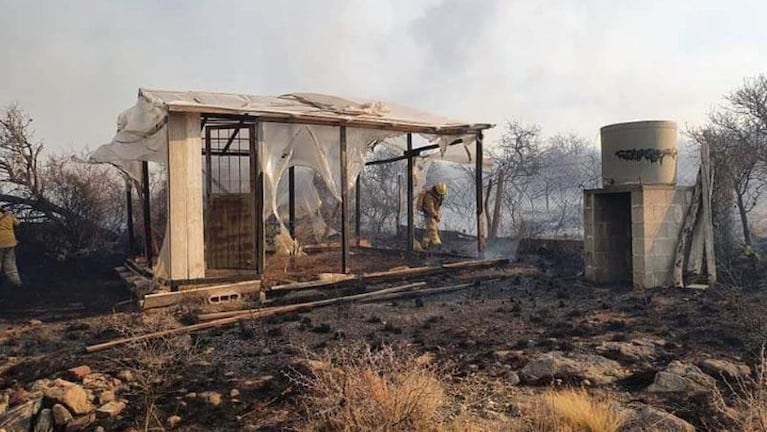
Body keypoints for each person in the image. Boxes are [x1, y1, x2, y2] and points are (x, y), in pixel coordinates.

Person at [417, 182, 447, 249]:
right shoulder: (429, 196)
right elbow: (430, 208)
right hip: (428, 213)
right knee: (432, 228)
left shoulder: (438, 195)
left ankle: (424, 245)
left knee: (429, 231)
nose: (440, 195)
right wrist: (435, 216)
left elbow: (437, 207)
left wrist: (437, 215)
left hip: (433, 213)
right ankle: (437, 244)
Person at [0, 209, 21, 288]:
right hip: (10, 241)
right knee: (10, 263)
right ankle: (16, 283)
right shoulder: (9, 215)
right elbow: (18, 223)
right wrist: (12, 216)